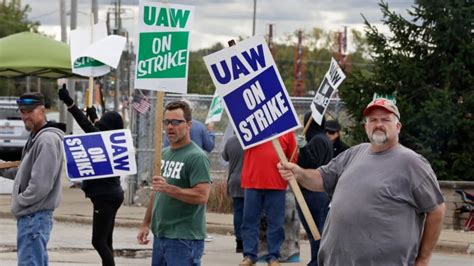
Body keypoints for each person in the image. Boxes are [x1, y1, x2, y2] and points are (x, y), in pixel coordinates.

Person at [278, 98, 446, 266]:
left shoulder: (411, 162)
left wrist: (423, 259)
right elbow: (320, 179)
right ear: (366, 127)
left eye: (385, 119)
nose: (378, 124)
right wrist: (298, 173)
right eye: (373, 120)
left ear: (398, 127)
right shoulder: (354, 153)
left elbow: (437, 209)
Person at [137, 100, 211, 266]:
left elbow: (202, 196)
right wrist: (145, 223)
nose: (170, 127)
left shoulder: (196, 157)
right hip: (161, 235)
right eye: (167, 122)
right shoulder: (163, 154)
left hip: (184, 239)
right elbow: (156, 192)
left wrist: (168, 188)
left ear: (189, 124)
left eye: (176, 122)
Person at [58, 85, 124, 266]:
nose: (99, 122)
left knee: (98, 241)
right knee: (106, 240)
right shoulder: (115, 140)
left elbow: (87, 126)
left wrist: (69, 103)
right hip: (113, 194)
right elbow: (96, 127)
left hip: (104, 196)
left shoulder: (102, 139)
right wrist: (94, 115)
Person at [0, 92, 64, 265]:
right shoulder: (37, 137)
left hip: (33, 217)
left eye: (30, 111)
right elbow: (24, 173)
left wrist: (19, 203)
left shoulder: (47, 140)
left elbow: (40, 185)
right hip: (33, 217)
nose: (25, 115)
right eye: (22, 111)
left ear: (42, 110)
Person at [240, 132, 297, 266]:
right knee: (249, 222)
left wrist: (288, 169)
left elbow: (293, 157)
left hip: (276, 184)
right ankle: (249, 255)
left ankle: (273, 256)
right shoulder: (252, 125)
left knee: (276, 224)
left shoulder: (287, 131)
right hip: (252, 181)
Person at [296, 112, 333, 266]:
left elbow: (312, 164)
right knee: (318, 231)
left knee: (315, 232)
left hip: (313, 193)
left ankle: (316, 262)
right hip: (321, 192)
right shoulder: (323, 139)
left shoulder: (317, 140)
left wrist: (303, 148)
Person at [222, 134, 244, 253]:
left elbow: (225, 157)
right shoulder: (252, 141)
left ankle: (239, 242)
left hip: (234, 180)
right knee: (252, 212)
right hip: (250, 180)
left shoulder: (230, 141)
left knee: (238, 212)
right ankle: (250, 240)